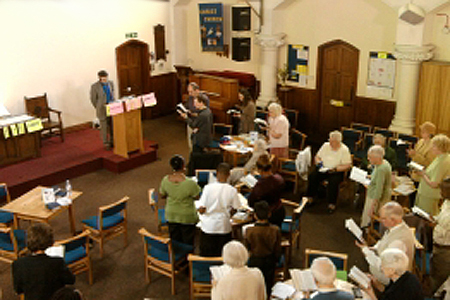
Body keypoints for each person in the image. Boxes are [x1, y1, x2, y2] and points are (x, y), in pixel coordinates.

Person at [356, 201, 415, 285]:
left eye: (383, 218)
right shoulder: (396, 226)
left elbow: (382, 266)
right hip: (385, 267)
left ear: (393, 220)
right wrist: (372, 248)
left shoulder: (398, 242)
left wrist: (366, 251)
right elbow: (384, 242)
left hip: (391, 279)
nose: (380, 221)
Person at [12, 223, 75, 300]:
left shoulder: (18, 264)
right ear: (50, 241)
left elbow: (18, 289)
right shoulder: (57, 262)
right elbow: (71, 280)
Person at [197, 163, 241, 256]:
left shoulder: (208, 188)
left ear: (216, 173)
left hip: (208, 227)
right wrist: (228, 214)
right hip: (224, 227)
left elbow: (201, 209)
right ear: (229, 175)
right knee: (223, 255)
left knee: (207, 255)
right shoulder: (232, 190)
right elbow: (235, 208)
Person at [159, 154, 201, 246]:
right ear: (183, 166)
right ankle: (188, 258)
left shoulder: (165, 180)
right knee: (188, 242)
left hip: (171, 215)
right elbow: (197, 197)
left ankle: (177, 256)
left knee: (175, 240)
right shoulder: (190, 183)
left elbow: (162, 195)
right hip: (187, 216)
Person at [305, 130, 352, 213]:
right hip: (323, 168)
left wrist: (335, 169)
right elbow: (317, 156)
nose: (329, 142)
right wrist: (318, 162)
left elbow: (347, 165)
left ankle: (331, 204)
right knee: (312, 176)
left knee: (333, 182)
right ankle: (310, 197)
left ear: (337, 142)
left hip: (336, 171)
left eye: (331, 141)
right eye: (329, 140)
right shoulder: (326, 145)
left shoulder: (344, 150)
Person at [245, 201, 282, 296]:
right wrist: (277, 260)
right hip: (270, 260)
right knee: (268, 284)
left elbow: (247, 248)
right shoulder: (275, 230)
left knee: (254, 284)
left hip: (254, 261)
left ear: (255, 215)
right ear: (269, 214)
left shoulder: (249, 231)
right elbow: (278, 249)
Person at [415, 134, 450, 216]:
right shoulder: (442, 157)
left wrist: (423, 174)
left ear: (440, 147)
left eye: (433, 146)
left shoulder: (442, 161)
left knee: (424, 219)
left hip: (428, 195)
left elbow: (434, 184)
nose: (431, 148)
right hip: (427, 193)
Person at [248, 154, 286, 228]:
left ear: (259, 170)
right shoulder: (280, 179)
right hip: (279, 211)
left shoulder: (260, 187)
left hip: (266, 216)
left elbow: (251, 202)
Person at [360, 145, 392, 228]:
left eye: (370, 157)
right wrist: (369, 177)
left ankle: (366, 232)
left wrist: (373, 206)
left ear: (377, 157)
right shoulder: (382, 163)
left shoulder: (382, 168)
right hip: (374, 193)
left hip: (376, 197)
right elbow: (376, 177)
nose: (368, 159)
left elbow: (379, 189)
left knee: (369, 218)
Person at [430, 177, 450, 293]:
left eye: (443, 190)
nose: (440, 192)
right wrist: (434, 219)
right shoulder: (446, 202)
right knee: (435, 272)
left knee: (441, 277)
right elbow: (441, 217)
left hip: (446, 249)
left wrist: (435, 226)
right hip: (437, 245)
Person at [90, 70, 115, 150]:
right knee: (104, 126)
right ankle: (105, 142)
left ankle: (112, 141)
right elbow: (93, 99)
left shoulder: (111, 83)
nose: (105, 80)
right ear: (100, 78)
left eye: (106, 78)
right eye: (103, 79)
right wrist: (98, 107)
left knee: (112, 125)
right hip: (102, 108)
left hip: (111, 107)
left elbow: (112, 94)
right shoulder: (95, 86)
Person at [185, 82, 210, 150]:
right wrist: (187, 110)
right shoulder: (190, 97)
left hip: (199, 125)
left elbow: (205, 111)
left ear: (197, 90)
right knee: (191, 143)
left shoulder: (203, 98)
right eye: (188, 92)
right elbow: (187, 106)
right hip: (191, 121)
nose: (190, 94)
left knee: (199, 147)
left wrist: (195, 114)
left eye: (191, 92)